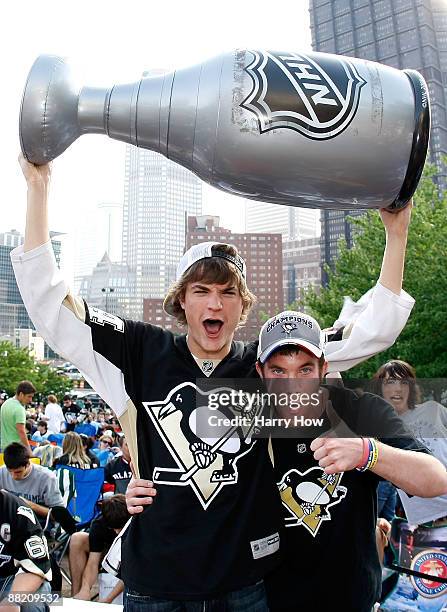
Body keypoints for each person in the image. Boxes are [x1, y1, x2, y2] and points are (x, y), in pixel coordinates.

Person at [14, 155, 415, 610]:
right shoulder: (139, 352)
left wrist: (396, 232)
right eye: (202, 291)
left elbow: (368, 332)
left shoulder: (264, 367)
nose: (215, 304)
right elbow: (54, 309)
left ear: (243, 307)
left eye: (228, 293)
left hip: (242, 585)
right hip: (156, 583)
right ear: (181, 300)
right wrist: (38, 187)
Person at [373, 359, 447, 525]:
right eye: (390, 382)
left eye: (404, 382)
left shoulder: (433, 409)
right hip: (427, 521)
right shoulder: (381, 429)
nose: (397, 388)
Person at [0, 442, 75, 534]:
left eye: (18, 472)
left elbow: (57, 516)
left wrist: (27, 504)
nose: (13, 476)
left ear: (27, 464)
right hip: (8, 520)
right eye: (9, 471)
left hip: (36, 523)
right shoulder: (2, 472)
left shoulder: (46, 477)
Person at [68, 494, 129, 602]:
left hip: (128, 557)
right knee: (77, 539)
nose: (116, 532)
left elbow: (131, 569)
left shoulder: (136, 523)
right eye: (113, 528)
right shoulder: (99, 524)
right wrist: (85, 589)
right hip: (107, 551)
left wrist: (108, 599)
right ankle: (77, 597)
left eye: (119, 528)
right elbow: (93, 563)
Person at [0, 490, 52, 612]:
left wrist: (12, 601)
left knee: (31, 602)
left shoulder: (17, 510)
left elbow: (37, 568)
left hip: (15, 578)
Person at [0, 381, 35, 451]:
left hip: (4, 447)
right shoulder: (19, 408)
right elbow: (21, 431)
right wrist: (29, 450)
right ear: (21, 394)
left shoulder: (5, 403)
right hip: (16, 450)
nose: (31, 400)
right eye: (29, 396)